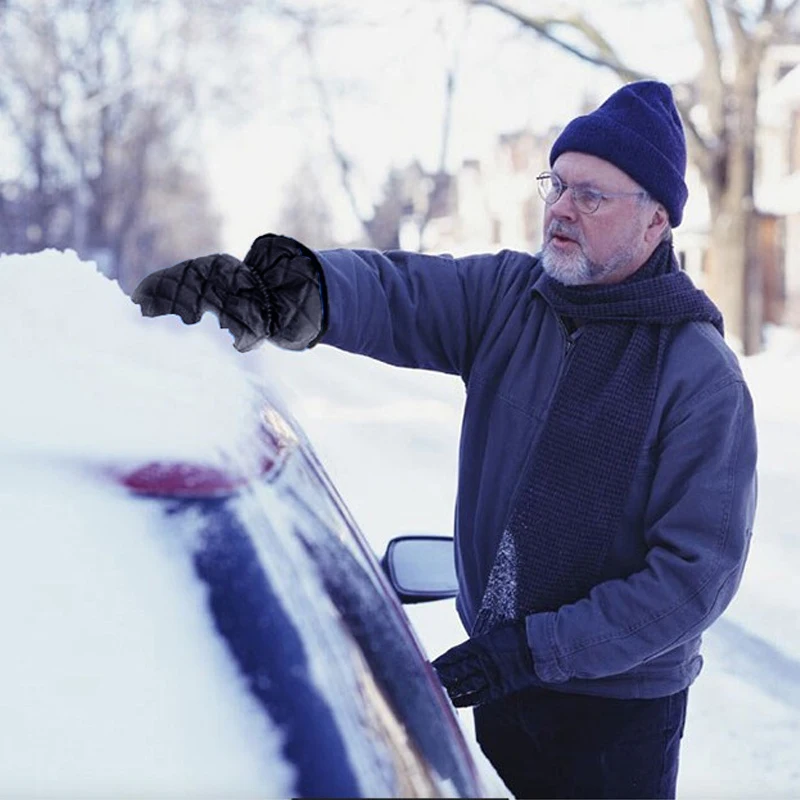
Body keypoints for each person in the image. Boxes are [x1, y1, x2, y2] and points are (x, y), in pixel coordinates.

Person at [132, 81, 757, 799]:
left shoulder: (698, 374)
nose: (560, 208)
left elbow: (692, 579)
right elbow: (400, 292)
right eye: (557, 184)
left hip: (612, 722)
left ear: (655, 223)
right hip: (498, 687)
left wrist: (533, 650)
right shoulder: (512, 299)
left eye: (592, 195)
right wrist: (291, 291)